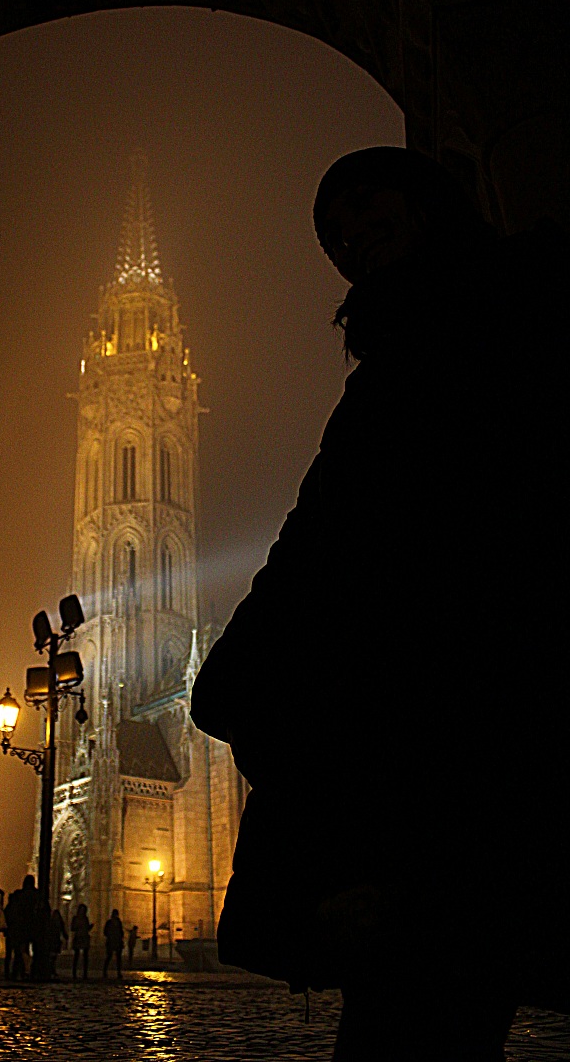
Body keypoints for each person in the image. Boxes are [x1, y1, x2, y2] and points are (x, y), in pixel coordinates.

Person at [191, 146, 570, 1060]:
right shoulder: (412, 352)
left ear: (429, 212)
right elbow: (323, 534)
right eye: (342, 241)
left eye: (374, 220)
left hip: (455, 736)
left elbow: (344, 540)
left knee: (418, 1011)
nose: (359, 246)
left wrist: (253, 673)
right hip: (443, 747)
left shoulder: (478, 334)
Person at [70, 903, 93, 980]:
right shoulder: (75, 918)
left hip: (85, 937)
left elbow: (87, 928)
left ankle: (85, 973)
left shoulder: (85, 918)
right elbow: (72, 928)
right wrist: (78, 927)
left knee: (85, 957)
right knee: (76, 956)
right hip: (78, 937)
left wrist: (90, 927)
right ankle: (74, 973)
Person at [102, 908, 125, 978]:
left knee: (116, 958)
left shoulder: (113, 922)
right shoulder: (115, 922)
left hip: (116, 942)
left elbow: (120, 932)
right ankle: (107, 971)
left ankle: (116, 972)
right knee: (111, 957)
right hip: (113, 941)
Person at [47, 907, 68, 978]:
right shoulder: (52, 923)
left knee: (53, 957)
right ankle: (51, 970)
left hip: (55, 941)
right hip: (52, 941)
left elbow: (63, 931)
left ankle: (52, 969)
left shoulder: (55, 923)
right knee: (52, 957)